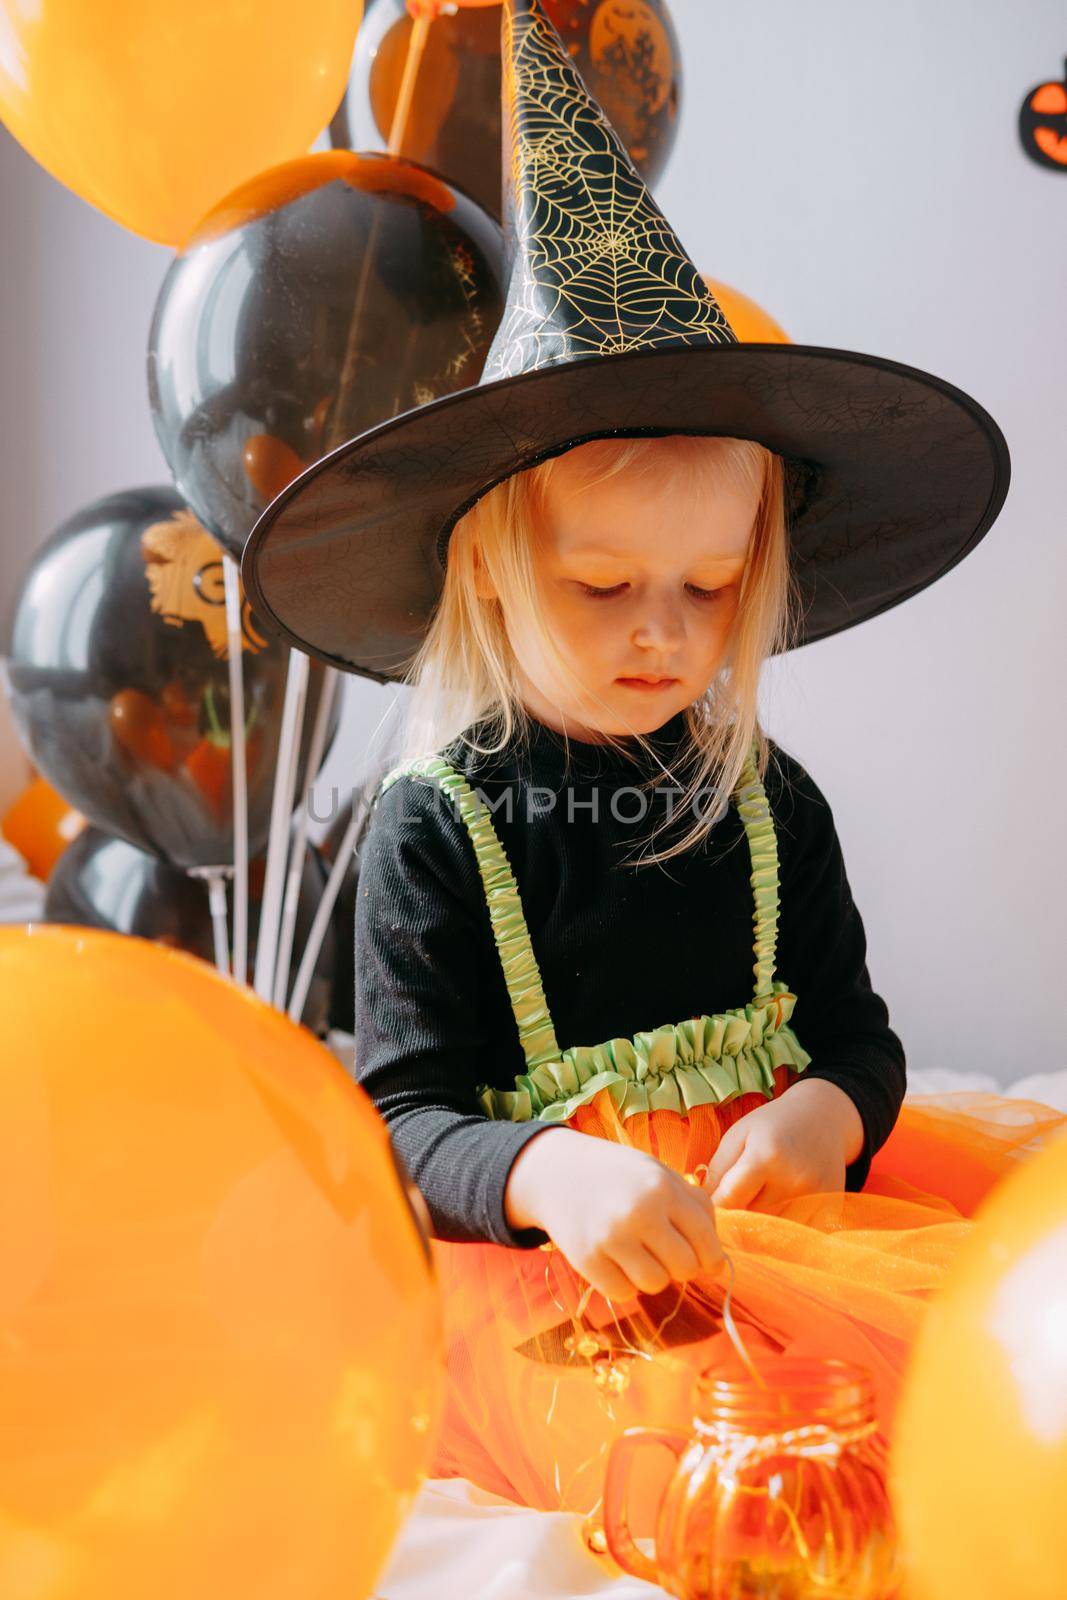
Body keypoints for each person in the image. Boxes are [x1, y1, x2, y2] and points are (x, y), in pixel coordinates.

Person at [242, 0, 1066, 1514]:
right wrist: (555, 1172)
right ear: (491, 573)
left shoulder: (769, 802)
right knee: (717, 1465)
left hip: (790, 1238)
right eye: (606, 588)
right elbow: (409, 1118)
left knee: (981, 1357)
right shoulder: (436, 829)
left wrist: (829, 1112)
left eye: (710, 589)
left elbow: (856, 1034)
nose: (664, 637)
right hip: (568, 1281)